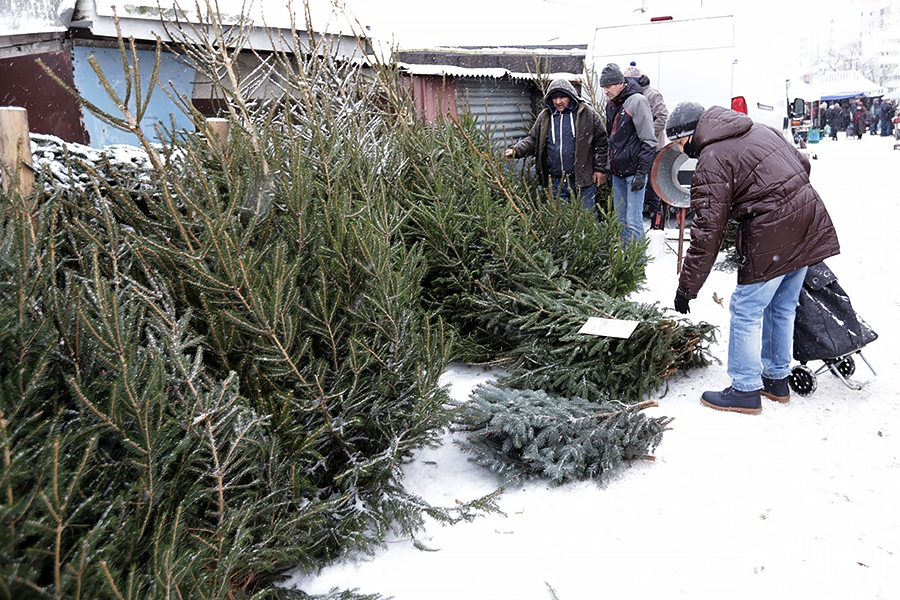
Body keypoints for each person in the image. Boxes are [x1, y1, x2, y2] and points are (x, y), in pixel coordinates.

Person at [666, 102, 840, 414]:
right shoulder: (758, 128)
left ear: (691, 134)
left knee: (746, 308)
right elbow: (802, 164)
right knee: (782, 306)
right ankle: (776, 378)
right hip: (807, 217)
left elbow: (707, 232)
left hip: (774, 230)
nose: (683, 152)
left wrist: (686, 289)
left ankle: (745, 388)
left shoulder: (712, 158)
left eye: (681, 144)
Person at [504, 78, 608, 210]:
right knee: (560, 223)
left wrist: (600, 169)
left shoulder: (587, 114)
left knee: (588, 221)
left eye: (562, 97)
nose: (558, 101)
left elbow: (602, 142)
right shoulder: (545, 116)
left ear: (570, 96)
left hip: (583, 180)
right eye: (554, 97)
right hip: (556, 182)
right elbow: (533, 140)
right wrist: (516, 150)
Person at [598, 63, 657, 244]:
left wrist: (642, 172)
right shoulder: (612, 105)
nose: (606, 91)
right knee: (620, 221)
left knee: (633, 221)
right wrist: (609, 168)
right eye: (603, 87)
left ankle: (637, 266)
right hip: (618, 173)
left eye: (608, 86)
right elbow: (612, 140)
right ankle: (624, 262)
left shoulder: (637, 101)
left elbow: (649, 140)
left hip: (634, 173)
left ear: (620, 83)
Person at [624, 61, 669, 230]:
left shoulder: (652, 95)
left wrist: (646, 135)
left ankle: (656, 226)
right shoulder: (626, 96)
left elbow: (663, 118)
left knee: (653, 189)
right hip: (634, 151)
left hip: (653, 149)